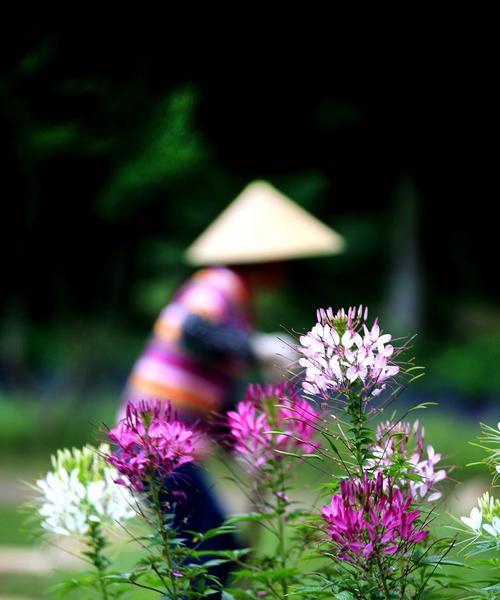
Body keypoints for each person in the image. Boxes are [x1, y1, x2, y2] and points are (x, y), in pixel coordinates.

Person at [120, 180, 345, 585]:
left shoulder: (239, 303)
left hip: (173, 442)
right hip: (153, 440)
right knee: (209, 556)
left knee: (215, 556)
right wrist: (255, 347)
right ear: (264, 257)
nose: (287, 268)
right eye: (283, 257)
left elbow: (216, 397)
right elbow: (192, 329)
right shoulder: (218, 284)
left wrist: (246, 447)